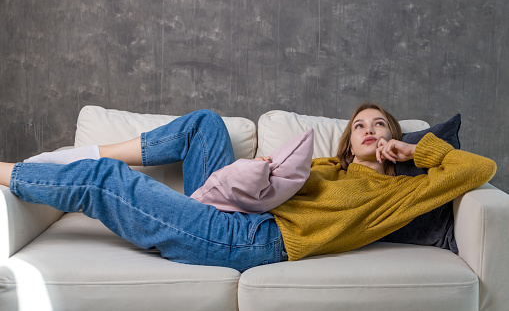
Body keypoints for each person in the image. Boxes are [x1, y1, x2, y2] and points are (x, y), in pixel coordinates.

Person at [0, 104, 497, 271]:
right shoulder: (328, 166)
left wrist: (418, 152)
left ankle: (20, 169)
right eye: (360, 124)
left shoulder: (399, 194)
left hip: (251, 239)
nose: (370, 129)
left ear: (393, 136)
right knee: (205, 126)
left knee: (105, 184)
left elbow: (480, 170)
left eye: (381, 125)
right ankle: (87, 152)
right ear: (349, 140)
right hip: (232, 206)